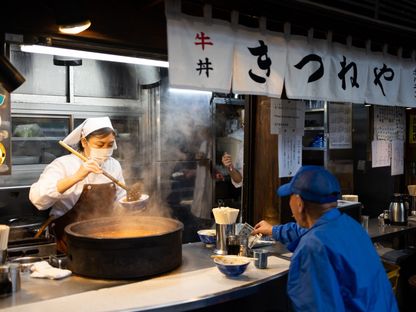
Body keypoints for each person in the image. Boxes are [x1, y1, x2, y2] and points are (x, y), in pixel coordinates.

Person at [252, 165, 398, 312]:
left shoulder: (312, 248)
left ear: (299, 203)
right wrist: (273, 230)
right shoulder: (350, 226)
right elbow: (305, 229)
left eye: (290, 197)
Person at [29, 117, 126, 252]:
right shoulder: (63, 164)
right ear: (84, 142)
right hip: (69, 243)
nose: (105, 149)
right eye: (99, 144)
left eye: (110, 145)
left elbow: (120, 202)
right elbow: (38, 199)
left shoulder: (113, 165)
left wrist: (131, 205)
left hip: (106, 239)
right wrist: (77, 176)